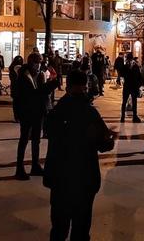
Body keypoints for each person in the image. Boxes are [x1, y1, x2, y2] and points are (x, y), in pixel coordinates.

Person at [43, 69, 115, 241]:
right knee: (81, 230)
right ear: (85, 87)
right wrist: (110, 138)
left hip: (60, 179)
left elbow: (50, 134)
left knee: (59, 228)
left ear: (68, 87)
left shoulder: (56, 112)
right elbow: (104, 145)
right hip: (84, 179)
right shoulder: (90, 113)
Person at [15, 53, 58, 180]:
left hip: (38, 111)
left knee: (36, 140)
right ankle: (19, 167)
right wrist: (17, 112)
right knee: (24, 139)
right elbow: (22, 95)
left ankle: (35, 165)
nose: (38, 65)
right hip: (26, 111)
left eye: (39, 63)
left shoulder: (41, 75)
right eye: (35, 63)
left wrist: (51, 85)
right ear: (30, 63)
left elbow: (42, 93)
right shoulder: (23, 76)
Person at [120, 56, 142, 123]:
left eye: (130, 60)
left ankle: (134, 117)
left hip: (134, 86)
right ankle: (122, 117)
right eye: (128, 60)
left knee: (134, 102)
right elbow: (122, 74)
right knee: (124, 102)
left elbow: (139, 77)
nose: (129, 62)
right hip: (127, 86)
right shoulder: (125, 67)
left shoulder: (136, 67)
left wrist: (139, 85)